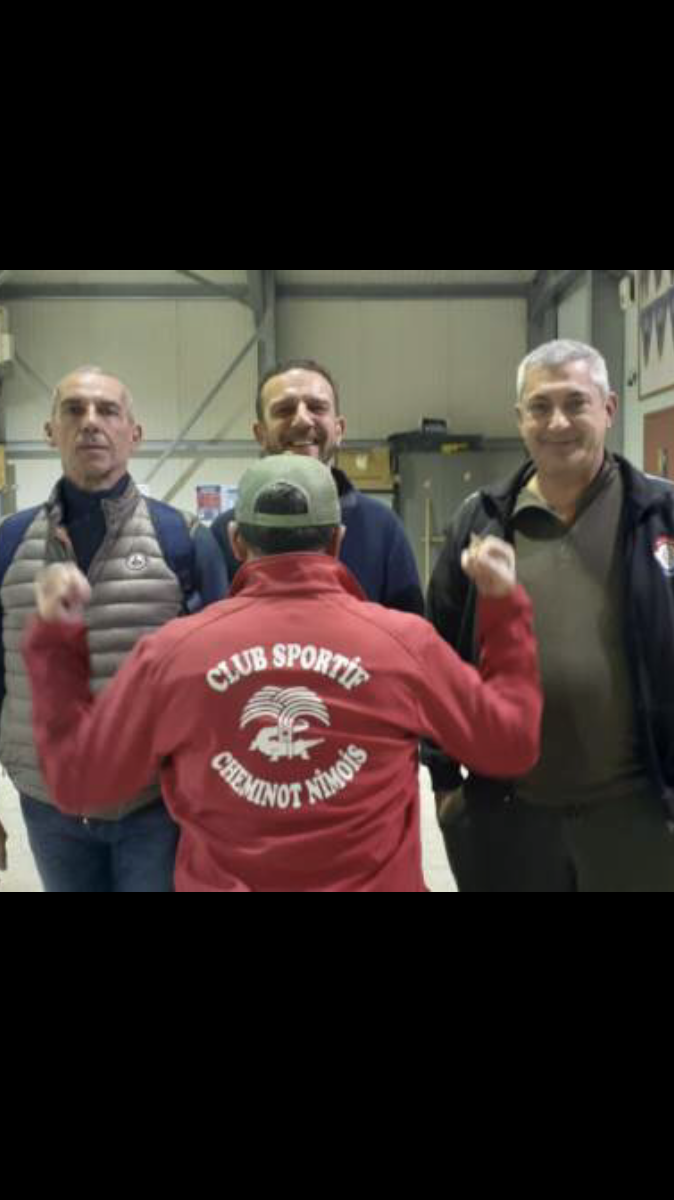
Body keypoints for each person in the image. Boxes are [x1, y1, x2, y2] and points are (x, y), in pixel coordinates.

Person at [24, 455, 541, 893]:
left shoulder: (172, 653)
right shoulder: (404, 644)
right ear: (337, 541)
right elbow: (509, 745)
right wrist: (504, 610)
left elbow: (79, 779)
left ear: (236, 543)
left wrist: (56, 641)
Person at [427, 339, 674, 892]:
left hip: (637, 813)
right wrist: (445, 784)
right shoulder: (480, 521)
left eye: (575, 402)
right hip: (511, 816)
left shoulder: (661, 515)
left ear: (609, 408)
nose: (557, 422)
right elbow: (437, 656)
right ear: (520, 419)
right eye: (540, 407)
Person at [0, 365, 227, 892]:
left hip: (153, 807)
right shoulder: (9, 543)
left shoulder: (182, 539)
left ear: (134, 433)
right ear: (50, 431)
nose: (90, 422)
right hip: (47, 804)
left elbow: (218, 684)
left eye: (107, 411)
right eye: (74, 410)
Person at [211, 359, 425, 614]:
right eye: (284, 410)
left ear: (339, 429)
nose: (302, 420)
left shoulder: (382, 528)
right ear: (261, 434)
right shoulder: (222, 533)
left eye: (317, 407)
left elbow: (408, 627)